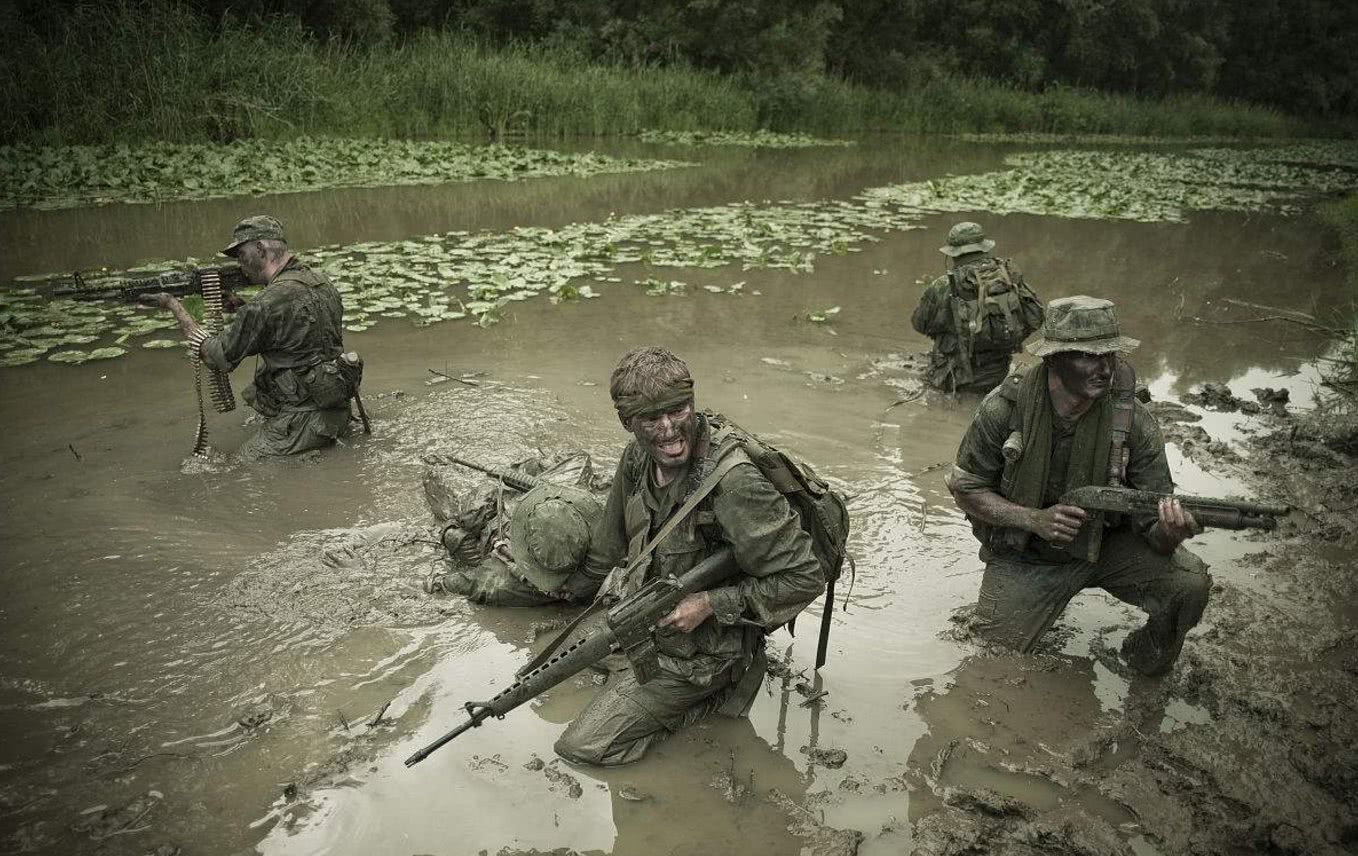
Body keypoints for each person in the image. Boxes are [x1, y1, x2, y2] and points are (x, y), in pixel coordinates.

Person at [553, 346, 826, 766]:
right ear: (628, 423)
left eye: (678, 410)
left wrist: (709, 604)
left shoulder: (733, 482)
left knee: (580, 748)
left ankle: (715, 700)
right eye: (651, 419)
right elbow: (607, 549)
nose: (668, 430)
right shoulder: (636, 458)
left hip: (705, 655)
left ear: (692, 403)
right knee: (547, 670)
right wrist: (558, 591)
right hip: (642, 623)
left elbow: (805, 577)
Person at [945, 296, 1211, 676]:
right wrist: (1034, 519)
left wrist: (1170, 532)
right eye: (1088, 356)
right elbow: (965, 489)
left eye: (1110, 356)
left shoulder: (1134, 421)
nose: (1103, 368)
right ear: (1054, 359)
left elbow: (1153, 530)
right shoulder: (1003, 409)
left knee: (1190, 585)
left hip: (1107, 546)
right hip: (1028, 555)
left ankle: (1143, 659)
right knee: (992, 661)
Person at [154, 215, 357, 457]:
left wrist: (173, 306)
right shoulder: (322, 282)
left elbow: (217, 357)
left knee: (240, 465)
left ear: (260, 249)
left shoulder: (264, 305)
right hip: (339, 409)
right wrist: (242, 307)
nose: (241, 265)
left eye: (241, 255)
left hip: (303, 420)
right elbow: (298, 334)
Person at [911, 221, 1044, 394]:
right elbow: (1036, 317)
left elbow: (919, 324)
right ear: (984, 247)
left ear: (953, 253)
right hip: (1000, 373)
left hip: (955, 378)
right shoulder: (1006, 275)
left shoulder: (943, 285)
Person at [426, 481, 606, 607]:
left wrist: (448, 530)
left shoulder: (501, 583)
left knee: (456, 530)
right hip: (507, 540)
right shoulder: (605, 559)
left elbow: (445, 585)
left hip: (489, 544)